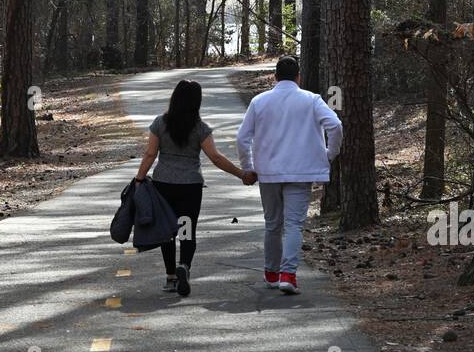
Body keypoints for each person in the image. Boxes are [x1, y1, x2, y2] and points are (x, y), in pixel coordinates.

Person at [134, 78, 256, 297]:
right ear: (196, 102)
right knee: (186, 229)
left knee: (167, 231)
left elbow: (150, 153)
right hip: (190, 187)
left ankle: (171, 276)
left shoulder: (160, 123)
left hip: (163, 185)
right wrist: (241, 174)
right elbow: (216, 158)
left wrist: (139, 179)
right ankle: (185, 266)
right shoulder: (201, 129)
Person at [236, 55, 343, 295]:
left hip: (268, 171)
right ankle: (288, 274)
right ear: (298, 77)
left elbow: (242, 138)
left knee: (273, 224)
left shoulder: (259, 101)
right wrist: (329, 154)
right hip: (301, 170)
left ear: (274, 77)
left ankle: (271, 273)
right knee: (294, 224)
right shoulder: (311, 100)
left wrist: (248, 166)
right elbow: (335, 126)